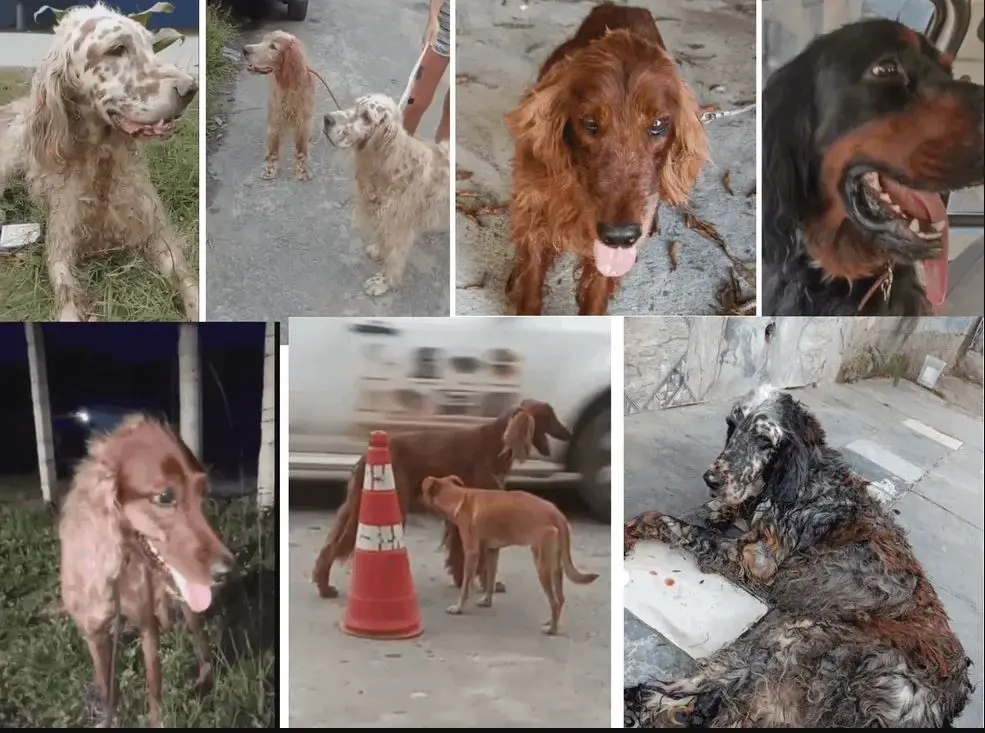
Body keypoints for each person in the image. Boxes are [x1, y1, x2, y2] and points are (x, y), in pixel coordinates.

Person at [402, 0, 450, 143]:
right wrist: (433, 17)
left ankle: (442, 159)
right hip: (444, 28)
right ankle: (397, 148)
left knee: (452, 110)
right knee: (415, 100)